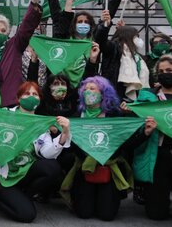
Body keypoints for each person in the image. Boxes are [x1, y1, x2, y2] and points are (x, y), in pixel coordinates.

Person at [0, 81, 71, 222]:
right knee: (28, 215)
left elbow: (48, 154)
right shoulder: (4, 115)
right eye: (27, 93)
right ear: (18, 98)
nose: (31, 96)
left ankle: (22, 196)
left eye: (35, 94)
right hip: (3, 176)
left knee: (52, 168)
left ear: (39, 100)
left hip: (24, 173)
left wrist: (64, 133)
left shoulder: (40, 124)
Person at [66, 76, 156, 221]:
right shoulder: (77, 116)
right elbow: (70, 146)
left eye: (93, 89)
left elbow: (126, 143)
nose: (88, 92)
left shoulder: (114, 116)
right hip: (84, 168)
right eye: (86, 89)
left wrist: (145, 133)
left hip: (108, 168)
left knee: (106, 215)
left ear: (103, 94)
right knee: (84, 213)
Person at [140, 54, 172, 220]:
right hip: (157, 154)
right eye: (161, 71)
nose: (165, 74)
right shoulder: (147, 97)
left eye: (169, 70)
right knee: (156, 214)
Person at [95, 19, 150, 101]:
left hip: (133, 99)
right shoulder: (113, 49)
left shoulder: (137, 57)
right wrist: (105, 25)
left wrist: (123, 29)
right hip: (114, 96)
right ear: (128, 37)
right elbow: (101, 42)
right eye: (135, 37)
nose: (138, 40)